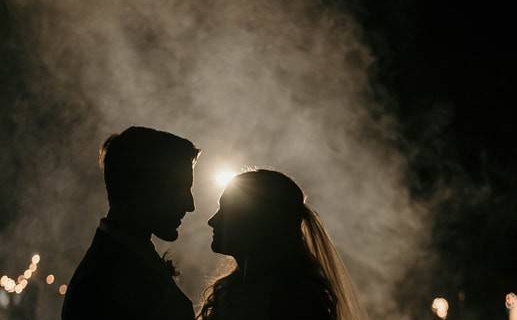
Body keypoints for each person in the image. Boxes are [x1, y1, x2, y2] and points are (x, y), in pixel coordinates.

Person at [62, 126, 200, 320]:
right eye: (179, 189)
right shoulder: (108, 282)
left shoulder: (112, 267)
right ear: (144, 188)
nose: (190, 204)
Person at [199, 169, 369, 320]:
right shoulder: (229, 292)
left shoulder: (296, 300)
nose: (211, 221)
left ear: (256, 221)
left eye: (225, 211)